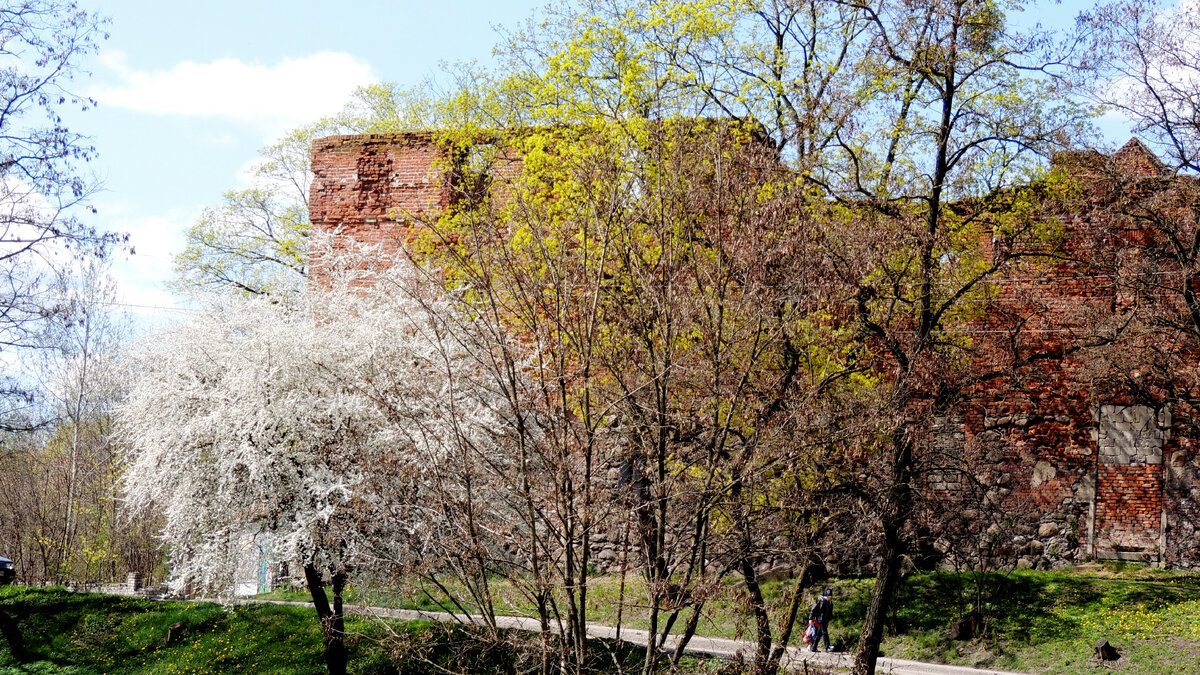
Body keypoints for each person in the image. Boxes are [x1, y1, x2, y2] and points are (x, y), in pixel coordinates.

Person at [808, 587, 833, 652]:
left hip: (825, 620)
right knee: (825, 633)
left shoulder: (829, 603)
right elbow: (813, 609)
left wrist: (829, 618)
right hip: (820, 619)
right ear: (825, 595)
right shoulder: (820, 601)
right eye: (828, 596)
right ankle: (827, 647)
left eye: (830, 596)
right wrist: (810, 618)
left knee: (819, 634)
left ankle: (813, 647)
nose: (829, 597)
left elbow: (830, 612)